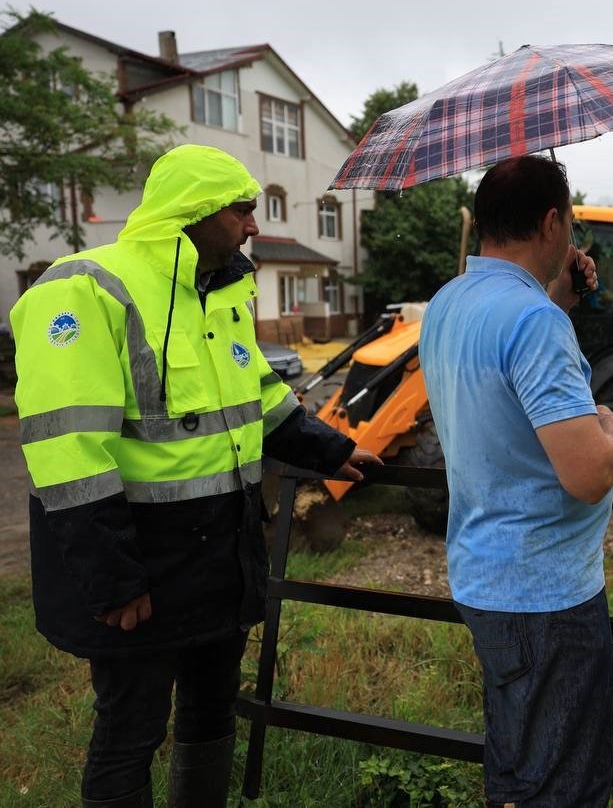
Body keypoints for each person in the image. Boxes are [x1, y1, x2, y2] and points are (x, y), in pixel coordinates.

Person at [12, 144, 379, 807]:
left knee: (213, 708)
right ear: (197, 211)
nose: (253, 224)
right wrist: (112, 576)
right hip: (140, 562)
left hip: (220, 548)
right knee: (130, 730)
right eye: (242, 209)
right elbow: (68, 452)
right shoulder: (87, 287)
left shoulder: (221, 291)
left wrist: (329, 449)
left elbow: (258, 395)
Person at [419, 155, 613, 807]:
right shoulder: (534, 324)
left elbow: (503, 399)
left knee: (514, 775)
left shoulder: (449, 303)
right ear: (550, 222)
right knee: (563, 788)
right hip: (547, 597)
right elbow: (589, 472)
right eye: (569, 222)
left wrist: (557, 298)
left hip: (485, 578)